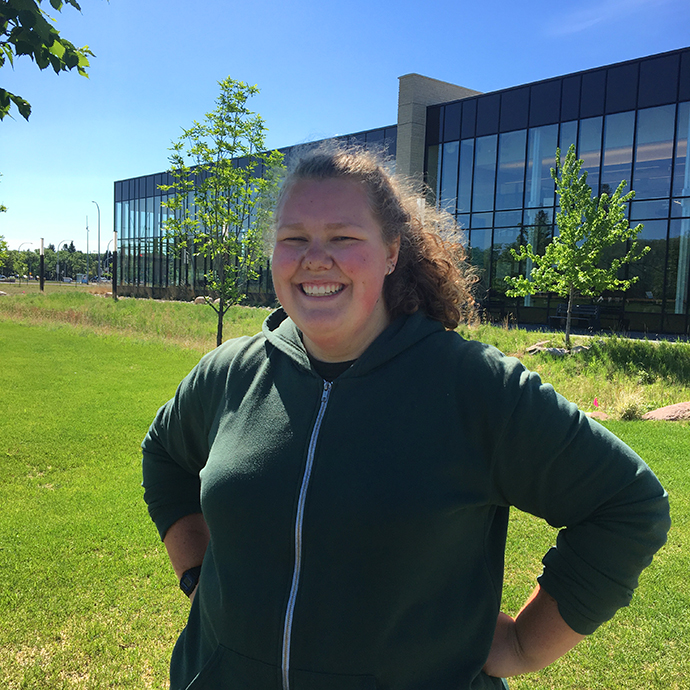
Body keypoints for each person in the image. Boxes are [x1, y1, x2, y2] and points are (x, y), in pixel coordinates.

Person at [142, 148, 670, 690]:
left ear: (392, 251)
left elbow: (628, 506)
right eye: (293, 237)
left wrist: (522, 644)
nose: (315, 258)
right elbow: (163, 454)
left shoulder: (476, 387)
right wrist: (196, 574)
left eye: (344, 237)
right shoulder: (231, 372)